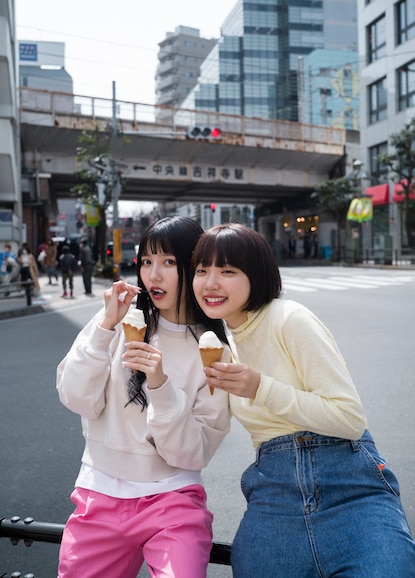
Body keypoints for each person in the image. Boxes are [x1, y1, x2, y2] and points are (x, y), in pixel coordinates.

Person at [192, 223, 415, 578]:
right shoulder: (220, 345)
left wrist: (260, 387)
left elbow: (349, 418)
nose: (210, 282)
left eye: (227, 270)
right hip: (274, 494)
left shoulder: (288, 318)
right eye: (201, 270)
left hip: (350, 489)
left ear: (257, 275)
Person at [56, 216, 232, 578]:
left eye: (169, 262)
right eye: (147, 262)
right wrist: (105, 328)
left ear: (194, 268)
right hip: (99, 492)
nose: (154, 275)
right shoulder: (116, 322)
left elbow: (192, 453)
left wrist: (161, 386)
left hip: (173, 499)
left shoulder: (213, 350)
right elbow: (75, 398)